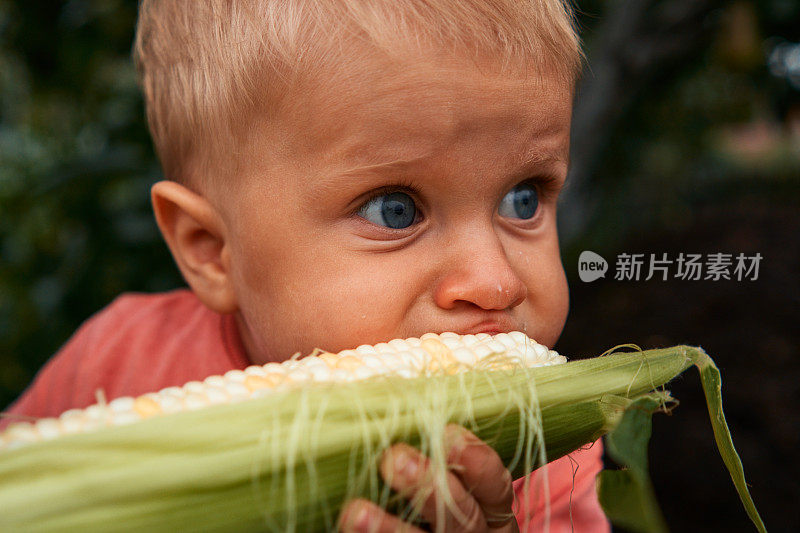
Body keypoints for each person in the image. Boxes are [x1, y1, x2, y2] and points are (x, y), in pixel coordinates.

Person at [2, 1, 609, 531]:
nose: (497, 281)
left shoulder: (543, 455)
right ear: (211, 250)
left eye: (522, 198)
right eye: (395, 211)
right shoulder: (115, 361)